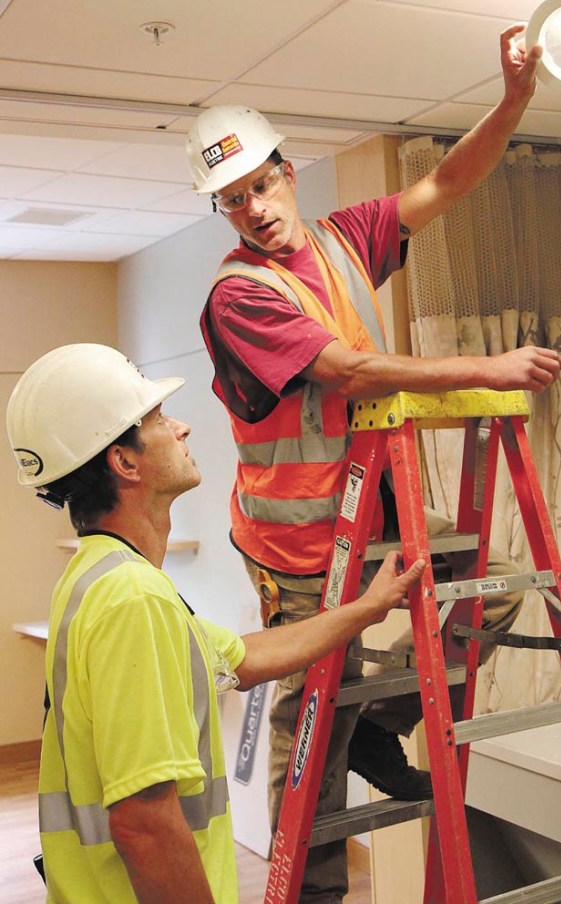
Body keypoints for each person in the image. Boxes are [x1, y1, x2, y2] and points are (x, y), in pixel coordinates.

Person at [186, 24, 561, 903]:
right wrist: (487, 366)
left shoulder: (342, 240)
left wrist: (512, 101)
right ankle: (313, 890)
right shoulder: (239, 291)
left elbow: (444, 181)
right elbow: (343, 370)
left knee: (496, 584)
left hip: (379, 505)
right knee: (312, 703)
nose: (253, 207)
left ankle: (378, 723)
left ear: (287, 170)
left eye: (259, 184)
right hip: (298, 538)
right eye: (232, 200)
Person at [5, 343, 425, 904]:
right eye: (157, 420)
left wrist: (368, 608)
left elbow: (245, 658)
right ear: (124, 462)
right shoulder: (133, 600)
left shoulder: (100, 577)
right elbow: (144, 824)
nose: (180, 428)